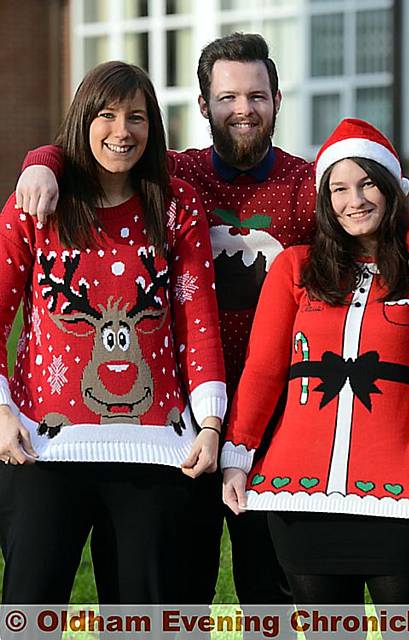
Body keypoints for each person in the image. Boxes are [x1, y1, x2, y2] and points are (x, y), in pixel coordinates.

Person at [15, 34, 409, 606]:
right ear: (203, 105)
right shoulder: (174, 176)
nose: (243, 109)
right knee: (178, 588)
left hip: (274, 423)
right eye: (227, 97)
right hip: (184, 415)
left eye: (257, 95)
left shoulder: (302, 184)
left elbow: (364, 199)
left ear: (276, 100)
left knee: (268, 591)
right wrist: (40, 161)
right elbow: (101, 151)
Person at [0, 60, 226, 605]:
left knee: (142, 618)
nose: (122, 131)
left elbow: (198, 323)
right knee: (29, 610)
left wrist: (211, 424)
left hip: (153, 452)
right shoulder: (37, 204)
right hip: (41, 447)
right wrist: (1, 413)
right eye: (106, 115)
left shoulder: (177, 207)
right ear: (83, 119)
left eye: (137, 117)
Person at [222, 118, 409, 613]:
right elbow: (265, 369)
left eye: (367, 183)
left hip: (406, 496)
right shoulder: (294, 267)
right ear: (324, 200)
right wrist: (237, 454)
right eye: (338, 188)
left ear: (392, 188)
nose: (354, 200)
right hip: (302, 504)